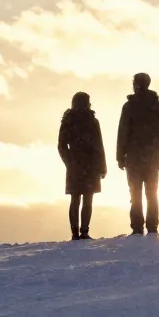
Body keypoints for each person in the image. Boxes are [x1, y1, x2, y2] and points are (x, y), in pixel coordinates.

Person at [116, 72, 159, 235]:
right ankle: (151, 226)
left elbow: (122, 133)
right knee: (150, 193)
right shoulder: (157, 106)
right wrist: (157, 147)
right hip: (150, 157)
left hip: (135, 157)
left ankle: (138, 227)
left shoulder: (130, 107)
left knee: (137, 193)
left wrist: (120, 156)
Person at [58, 92, 107, 241]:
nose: (89, 104)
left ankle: (82, 232)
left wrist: (102, 166)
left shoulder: (87, 121)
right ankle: (78, 232)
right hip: (81, 165)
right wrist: (70, 162)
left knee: (85, 199)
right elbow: (62, 146)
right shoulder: (71, 121)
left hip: (88, 165)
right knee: (79, 199)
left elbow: (99, 145)